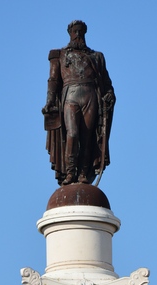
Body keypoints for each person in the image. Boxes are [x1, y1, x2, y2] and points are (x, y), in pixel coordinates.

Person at [42, 21, 116, 186]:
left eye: (81, 31)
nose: (78, 35)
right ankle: (70, 171)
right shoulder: (59, 55)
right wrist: (49, 100)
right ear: (69, 33)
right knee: (73, 134)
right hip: (71, 94)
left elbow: (106, 82)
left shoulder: (96, 57)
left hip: (90, 95)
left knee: (88, 135)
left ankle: (83, 173)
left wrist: (109, 94)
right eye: (75, 31)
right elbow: (53, 80)